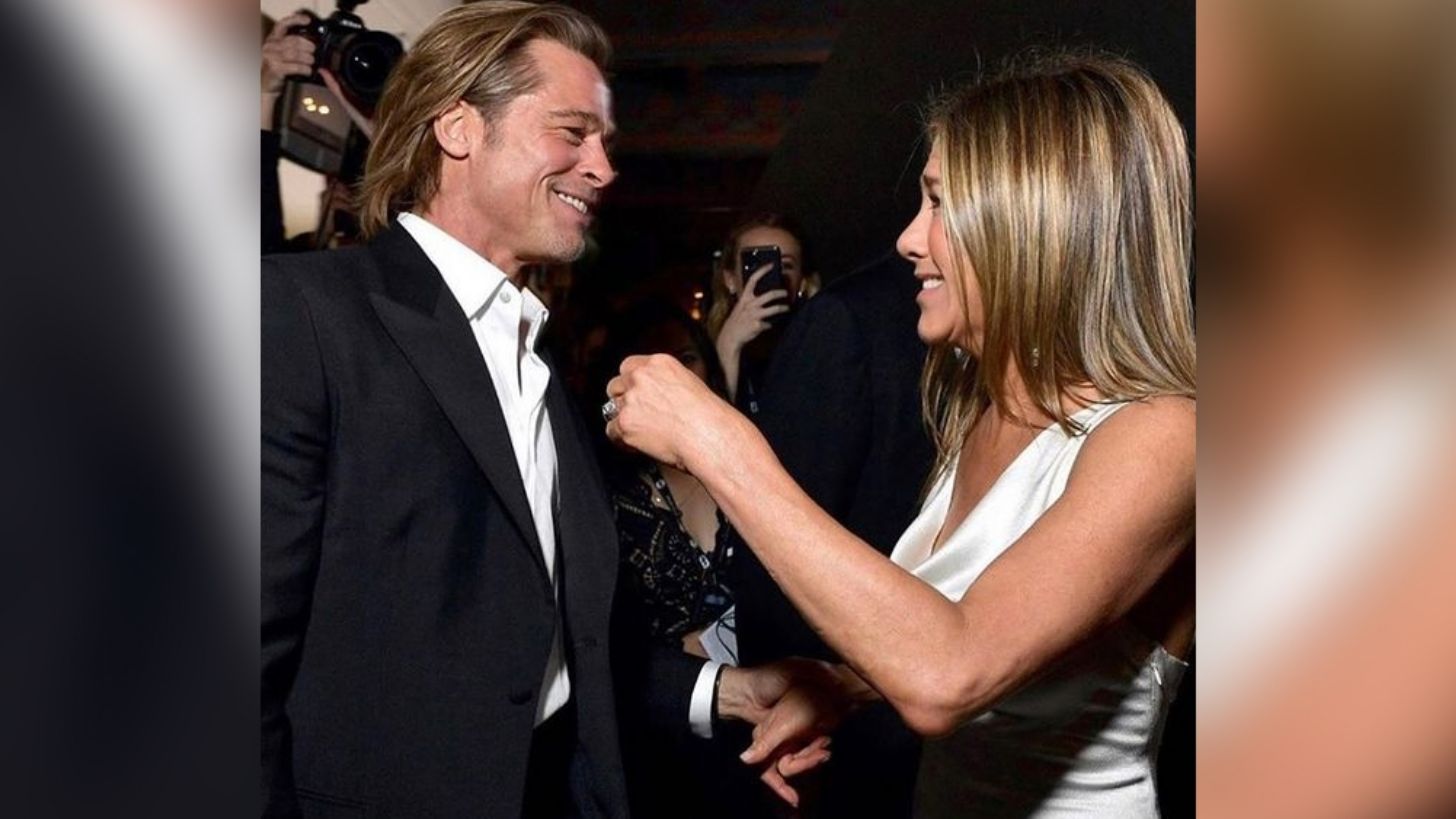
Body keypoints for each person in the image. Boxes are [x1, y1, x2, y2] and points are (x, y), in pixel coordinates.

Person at [605, 52, 1196, 817]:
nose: (911, 239)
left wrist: (719, 443)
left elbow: (955, 670)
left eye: (940, 203)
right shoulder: (978, 409)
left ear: (1036, 220)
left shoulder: (1162, 432)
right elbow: (1022, 647)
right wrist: (847, 685)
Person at [262, 5, 628, 816]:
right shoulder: (300, 315)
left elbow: (552, 632)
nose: (602, 168)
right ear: (459, 128)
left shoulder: (541, 361)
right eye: (572, 132)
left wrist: (722, 691)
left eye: (605, 143)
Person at [704, 214, 810, 414]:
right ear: (730, 279)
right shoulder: (702, 348)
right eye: (755, 265)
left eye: (785, 265)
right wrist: (728, 346)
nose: (772, 275)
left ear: (802, 281)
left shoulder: (819, 344)